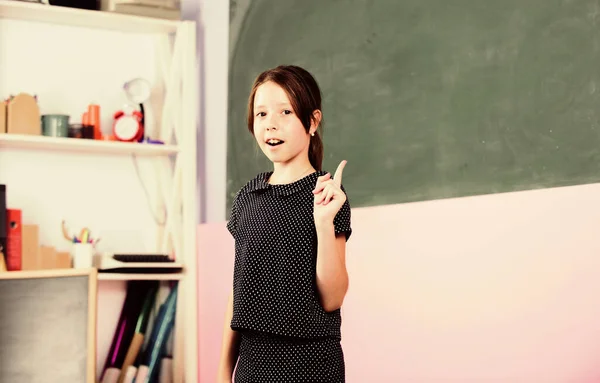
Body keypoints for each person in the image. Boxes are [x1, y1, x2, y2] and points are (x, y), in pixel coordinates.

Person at [217, 65, 353, 383]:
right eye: (261, 114)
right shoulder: (248, 197)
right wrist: (224, 371)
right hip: (252, 366)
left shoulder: (326, 194)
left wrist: (323, 221)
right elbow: (239, 290)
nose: (271, 126)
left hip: (313, 366)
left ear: (312, 121)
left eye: (286, 112)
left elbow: (333, 298)